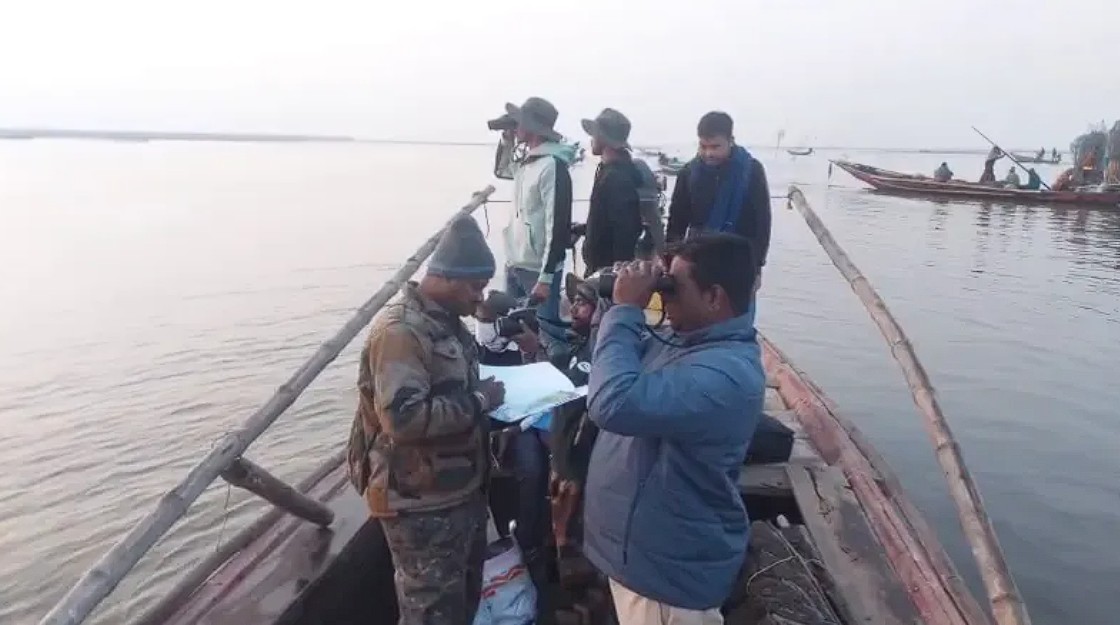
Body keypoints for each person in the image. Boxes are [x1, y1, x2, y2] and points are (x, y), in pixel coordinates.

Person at [582, 233, 766, 625]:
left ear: (714, 297)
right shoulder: (683, 339)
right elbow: (611, 364)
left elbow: (611, 402)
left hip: (667, 585)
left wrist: (626, 309)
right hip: (640, 563)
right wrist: (616, 307)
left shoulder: (727, 374)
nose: (664, 298)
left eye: (673, 288)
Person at [346, 215, 506, 625]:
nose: (480, 299)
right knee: (430, 611)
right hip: (420, 505)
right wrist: (479, 401)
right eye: (475, 287)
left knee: (461, 602)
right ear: (446, 278)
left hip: (459, 491)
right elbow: (404, 419)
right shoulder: (400, 332)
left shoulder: (446, 322)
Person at [665, 111, 771, 319]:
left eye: (715, 147)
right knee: (695, 318)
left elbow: (762, 223)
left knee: (739, 320)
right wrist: (670, 260)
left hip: (738, 260)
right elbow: (677, 220)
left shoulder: (751, 171)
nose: (708, 153)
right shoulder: (689, 173)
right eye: (703, 146)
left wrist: (757, 267)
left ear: (731, 141)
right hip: (698, 261)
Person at [493, 96, 577, 357]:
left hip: (538, 269)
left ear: (533, 127)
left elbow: (558, 224)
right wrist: (507, 139)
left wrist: (546, 278)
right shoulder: (528, 163)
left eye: (519, 122)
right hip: (516, 262)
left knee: (547, 337)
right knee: (517, 333)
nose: (516, 126)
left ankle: (557, 375)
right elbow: (501, 171)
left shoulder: (553, 166)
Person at [579, 108, 644, 276]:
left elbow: (626, 229)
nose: (592, 139)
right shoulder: (609, 171)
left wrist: (616, 274)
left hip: (607, 271)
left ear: (603, 138)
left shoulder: (616, 178)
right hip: (601, 267)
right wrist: (584, 229)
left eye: (594, 135)